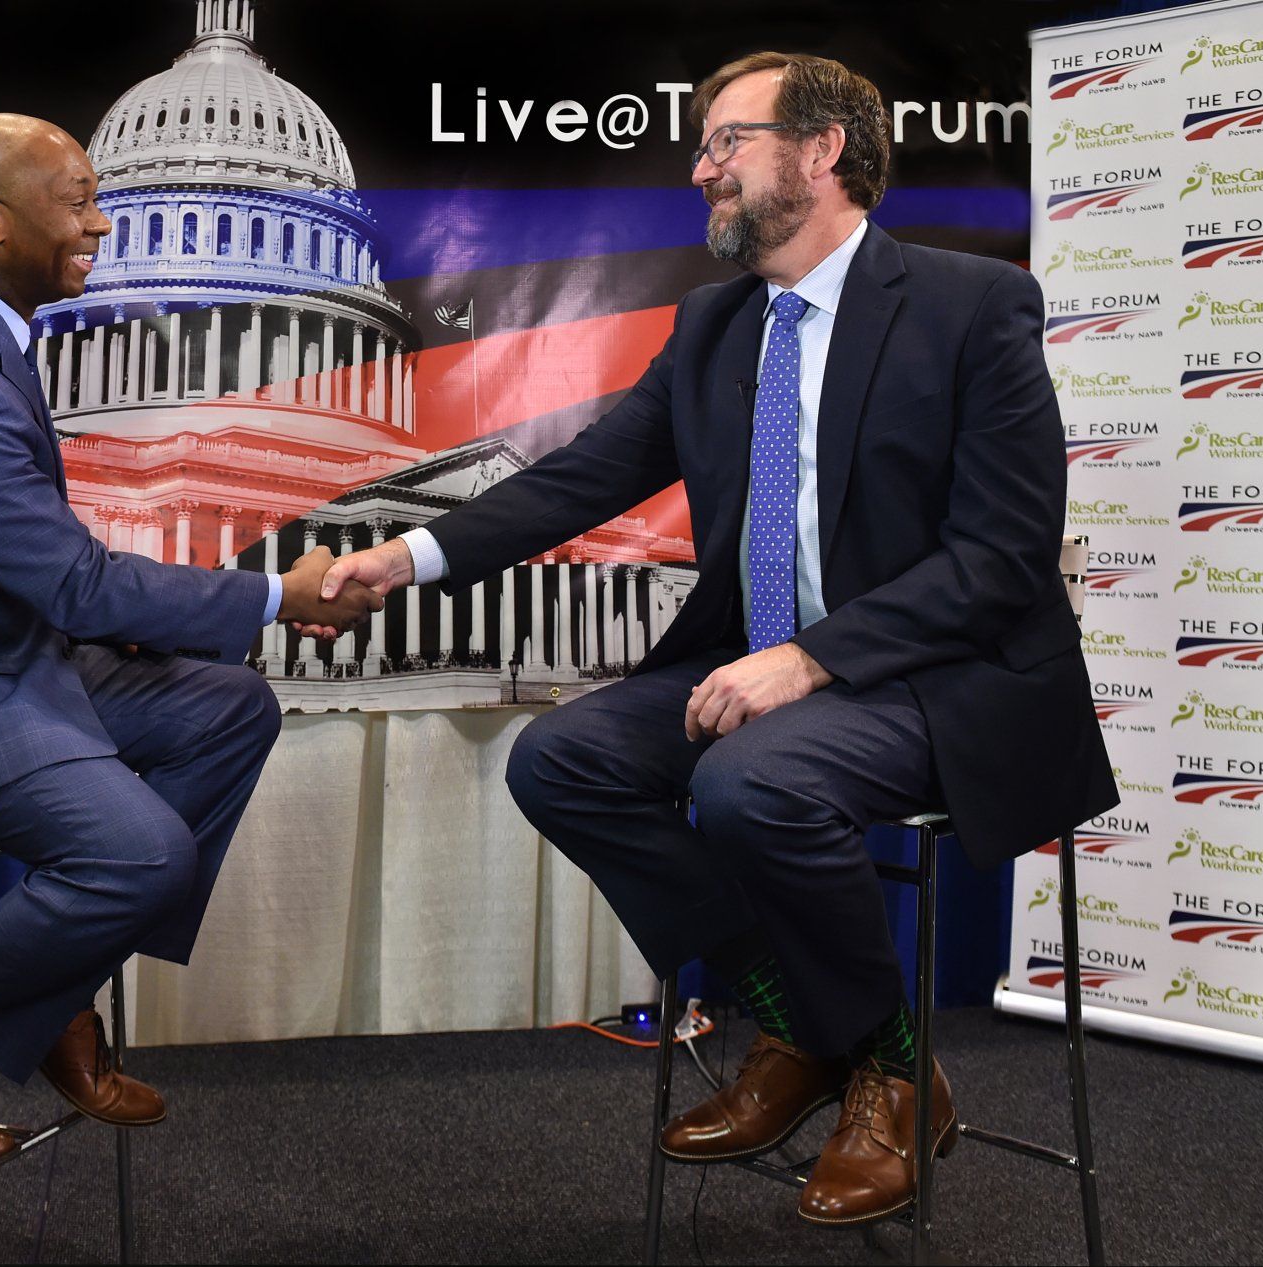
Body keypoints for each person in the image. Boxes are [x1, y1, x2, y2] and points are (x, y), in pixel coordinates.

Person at [313, 53, 1116, 1226]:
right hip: (763, 662)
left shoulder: (971, 306)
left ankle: (895, 1075)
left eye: (726, 142)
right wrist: (404, 559)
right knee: (560, 760)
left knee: (750, 784)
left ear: (821, 150)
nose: (700, 169)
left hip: (939, 677)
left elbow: (1000, 557)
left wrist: (810, 659)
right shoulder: (715, 325)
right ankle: (806, 1024)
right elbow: (581, 478)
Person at [0, 114, 380, 1180]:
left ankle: (45, 990)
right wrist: (279, 594)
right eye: (80, 202)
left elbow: (51, 580)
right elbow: (77, 585)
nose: (103, 222)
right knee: (139, 854)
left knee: (231, 708)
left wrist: (257, 609)